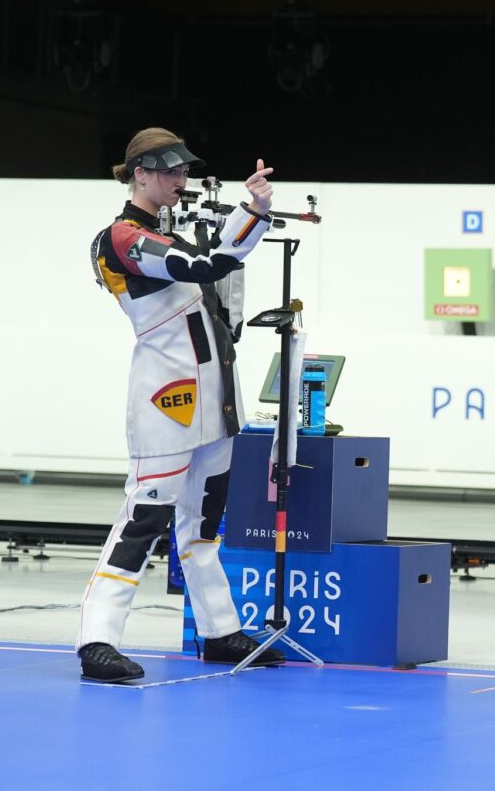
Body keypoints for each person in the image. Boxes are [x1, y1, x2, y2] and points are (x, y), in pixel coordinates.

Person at [78, 127, 285, 682]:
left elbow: (214, 261)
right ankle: (97, 639)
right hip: (165, 405)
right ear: (137, 173)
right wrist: (250, 215)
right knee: (143, 520)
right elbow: (205, 265)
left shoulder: (166, 237)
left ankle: (218, 632)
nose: (179, 179)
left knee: (203, 530)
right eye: (168, 170)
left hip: (215, 404)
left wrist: (254, 211)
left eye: (182, 170)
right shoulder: (119, 237)